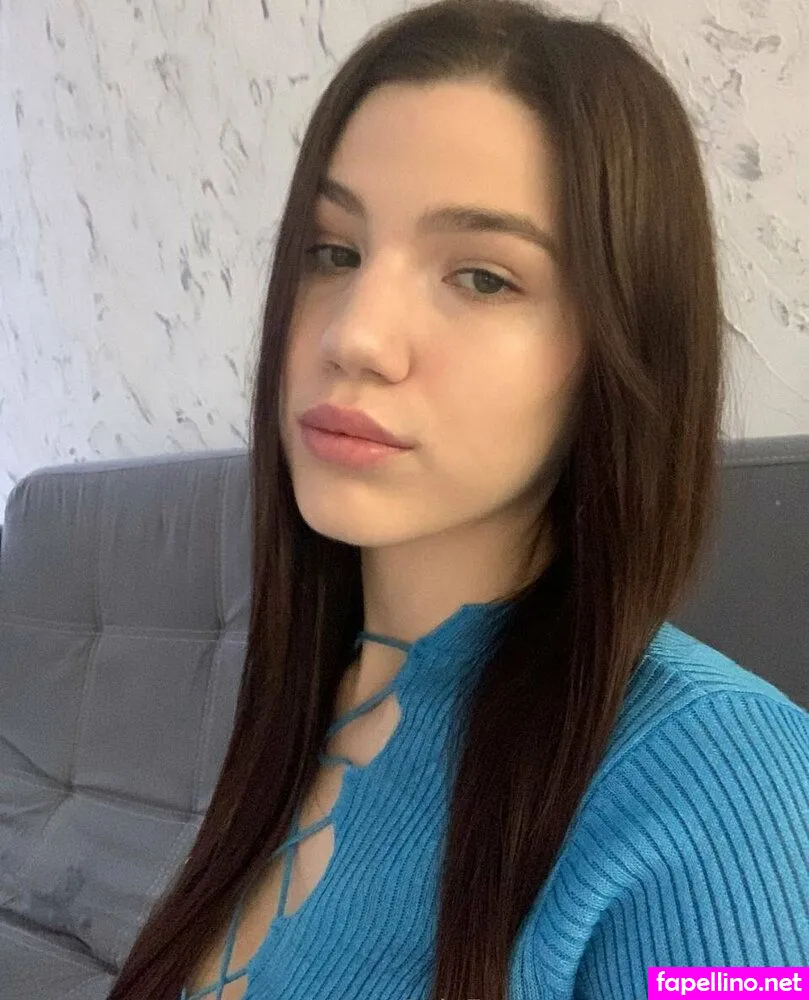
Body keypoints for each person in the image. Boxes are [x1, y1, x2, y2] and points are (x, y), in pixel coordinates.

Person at [108, 1, 809, 998]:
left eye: (481, 277)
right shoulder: (315, 692)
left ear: (622, 347)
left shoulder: (723, 776)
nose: (354, 336)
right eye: (332, 251)